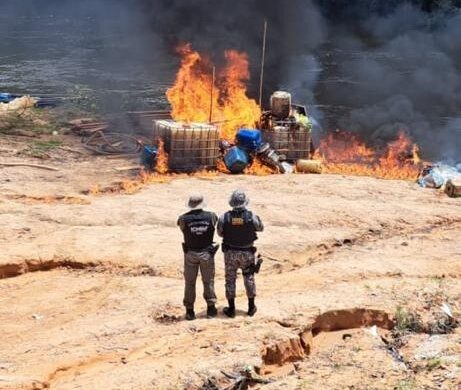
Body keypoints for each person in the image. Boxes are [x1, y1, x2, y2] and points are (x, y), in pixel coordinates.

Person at [217, 190, 264, 318]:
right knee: (249, 278)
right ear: (245, 202)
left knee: (230, 279)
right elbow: (260, 228)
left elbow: (220, 233)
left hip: (230, 252)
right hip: (247, 252)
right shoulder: (251, 216)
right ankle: (251, 307)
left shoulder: (224, 217)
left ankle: (231, 309)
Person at [178, 194, 218, 321]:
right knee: (208, 281)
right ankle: (211, 309)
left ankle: (190, 311)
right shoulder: (212, 216)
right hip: (206, 254)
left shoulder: (183, 218)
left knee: (190, 282)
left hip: (190, 253)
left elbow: (182, 228)